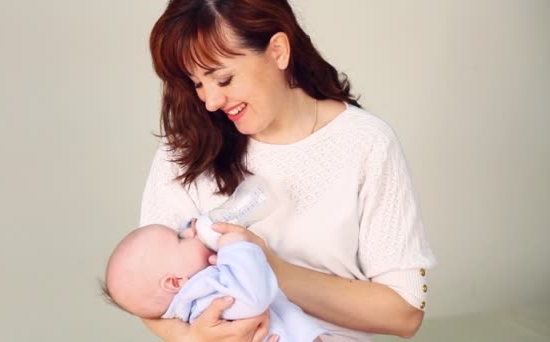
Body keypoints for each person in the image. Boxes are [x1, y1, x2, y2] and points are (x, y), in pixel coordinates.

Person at [138, 0, 437, 341]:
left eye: (223, 78)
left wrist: (272, 270)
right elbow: (146, 288)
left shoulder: (365, 144)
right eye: (197, 84)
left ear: (278, 51)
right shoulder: (186, 148)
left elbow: (404, 312)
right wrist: (193, 338)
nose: (210, 101)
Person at [103, 222, 325, 342]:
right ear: (174, 282)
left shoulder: (199, 291)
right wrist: (236, 247)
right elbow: (253, 298)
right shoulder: (202, 298)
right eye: (180, 237)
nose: (191, 230)